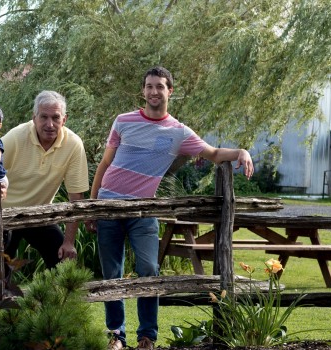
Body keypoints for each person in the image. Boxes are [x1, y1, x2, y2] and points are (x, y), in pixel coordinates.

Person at [88, 66, 255, 350]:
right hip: (109, 205)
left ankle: (147, 337)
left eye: (160, 87)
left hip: (144, 212)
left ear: (170, 91)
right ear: (143, 91)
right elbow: (105, 164)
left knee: (149, 270)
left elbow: (213, 154)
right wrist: (93, 206)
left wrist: (242, 151)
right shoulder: (123, 121)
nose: (154, 92)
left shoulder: (179, 132)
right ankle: (116, 335)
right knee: (111, 273)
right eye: (149, 86)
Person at [2, 90, 89, 269]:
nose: (49, 124)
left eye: (56, 118)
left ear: (64, 120)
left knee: (62, 262)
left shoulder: (73, 144)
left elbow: (76, 198)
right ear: (34, 118)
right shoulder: (15, 137)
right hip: (4, 213)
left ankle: (51, 297)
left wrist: (69, 242)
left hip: (38, 212)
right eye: (44, 117)